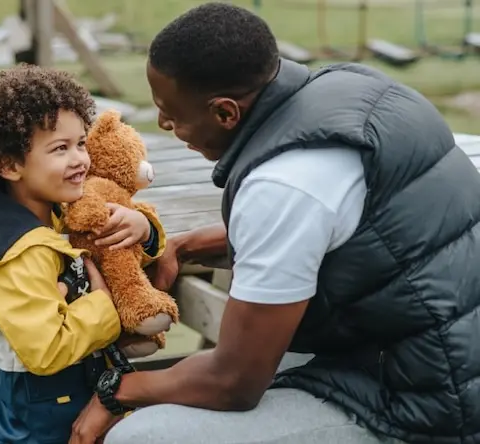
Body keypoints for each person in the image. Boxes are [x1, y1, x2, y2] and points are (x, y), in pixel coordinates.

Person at [68, 3, 480, 444]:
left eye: (169, 111)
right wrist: (184, 246)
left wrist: (116, 392)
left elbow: (234, 382)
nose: (165, 123)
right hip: (434, 351)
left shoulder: (283, 185)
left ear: (226, 113)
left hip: (429, 403)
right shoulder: (351, 88)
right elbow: (336, 228)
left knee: (143, 435)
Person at [0, 64, 168, 444]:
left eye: (81, 143)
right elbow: (47, 350)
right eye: (60, 149)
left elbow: (118, 256)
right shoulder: (16, 253)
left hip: (73, 383)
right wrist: (105, 305)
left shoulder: (55, 209)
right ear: (9, 165)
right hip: (39, 410)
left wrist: (143, 228)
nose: (81, 160)